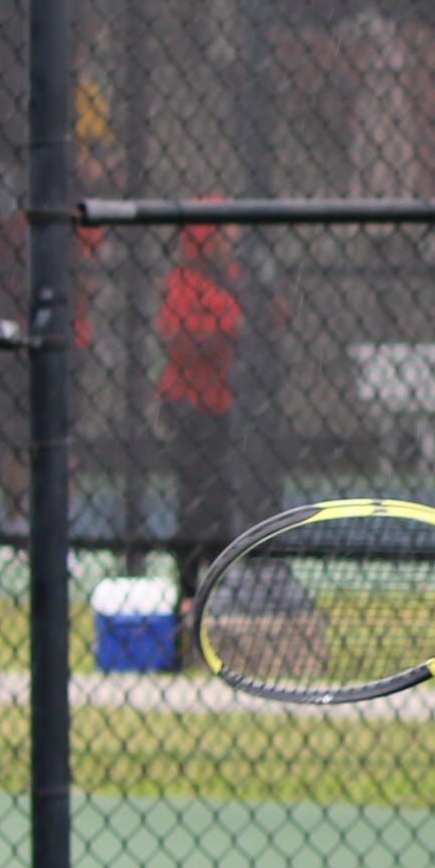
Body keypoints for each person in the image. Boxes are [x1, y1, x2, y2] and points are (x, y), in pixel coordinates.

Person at [158, 213, 244, 606]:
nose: (232, 243)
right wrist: (228, 322)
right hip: (190, 404)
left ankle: (220, 582)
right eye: (224, 234)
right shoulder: (183, 282)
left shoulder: (233, 277)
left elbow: (267, 316)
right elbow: (181, 337)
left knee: (222, 497)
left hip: (224, 403)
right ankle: (190, 587)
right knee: (195, 497)